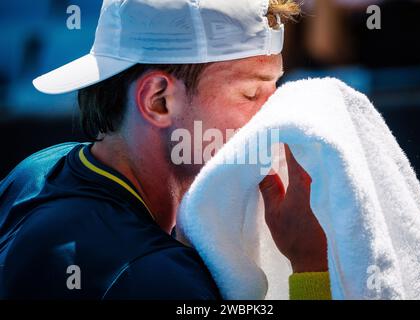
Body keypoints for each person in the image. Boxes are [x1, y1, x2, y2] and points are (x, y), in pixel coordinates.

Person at [0, 0, 330, 300]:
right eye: (250, 94)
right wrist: (311, 265)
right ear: (158, 100)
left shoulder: (37, 170)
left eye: (276, 89)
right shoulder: (156, 278)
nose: (275, 114)